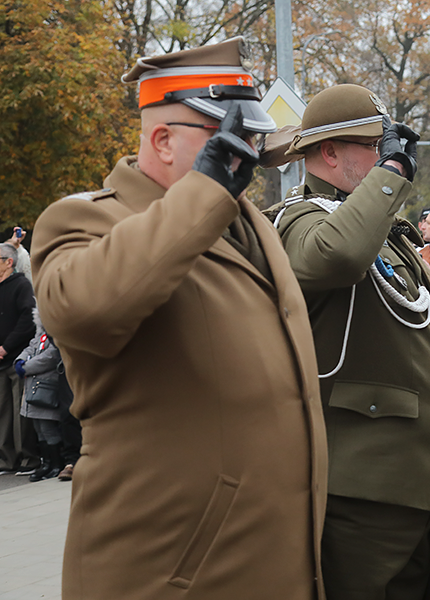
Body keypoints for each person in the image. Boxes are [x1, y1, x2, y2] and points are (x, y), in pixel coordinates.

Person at [31, 38, 329, 600]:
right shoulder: (84, 220)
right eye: (225, 137)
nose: (244, 152)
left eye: (250, 137)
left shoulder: (248, 223)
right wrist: (205, 191)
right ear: (163, 141)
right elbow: (83, 311)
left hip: (271, 562)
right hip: (172, 572)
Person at [262, 83, 430, 600]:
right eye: (372, 147)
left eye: (386, 150)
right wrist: (391, 175)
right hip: (364, 485)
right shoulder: (299, 220)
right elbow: (336, 256)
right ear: (328, 152)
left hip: (418, 479)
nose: (384, 157)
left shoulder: (375, 226)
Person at [0, 242, 38, 476]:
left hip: (16, 359)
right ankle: (7, 459)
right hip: (1, 360)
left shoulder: (21, 285)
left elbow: (28, 319)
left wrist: (6, 346)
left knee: (20, 412)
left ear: (8, 262)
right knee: (3, 411)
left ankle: (28, 458)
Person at [15, 307, 64, 481]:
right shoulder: (40, 335)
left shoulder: (54, 336)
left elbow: (50, 357)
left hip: (46, 385)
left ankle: (57, 464)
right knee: (38, 429)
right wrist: (20, 360)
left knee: (48, 427)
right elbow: (30, 348)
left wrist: (27, 367)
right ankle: (47, 463)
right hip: (33, 387)